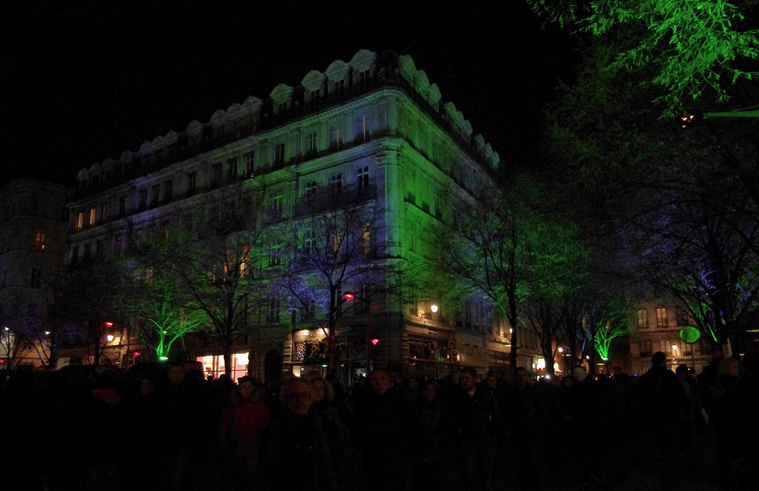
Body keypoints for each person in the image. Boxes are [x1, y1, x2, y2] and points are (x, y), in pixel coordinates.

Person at [259, 377, 338, 491]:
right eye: (294, 396)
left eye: (304, 395)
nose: (300, 400)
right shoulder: (275, 427)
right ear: (285, 399)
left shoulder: (323, 424)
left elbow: (334, 456)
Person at [352, 368, 411, 491]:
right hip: (373, 458)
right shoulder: (366, 403)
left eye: (382, 379)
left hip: (394, 456)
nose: (379, 383)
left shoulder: (399, 401)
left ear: (389, 381)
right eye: (375, 380)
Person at [451, 366, 500, 491]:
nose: (464, 381)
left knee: (485, 472)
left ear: (474, 379)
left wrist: (492, 434)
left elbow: (494, 414)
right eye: (462, 379)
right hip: (467, 440)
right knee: (470, 473)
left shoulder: (484, 394)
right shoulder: (458, 396)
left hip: (483, 439)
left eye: (467, 378)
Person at [218, 376, 270, 487]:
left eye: (249, 387)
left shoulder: (259, 405)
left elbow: (264, 423)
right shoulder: (232, 405)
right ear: (239, 388)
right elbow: (225, 424)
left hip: (254, 443)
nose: (246, 390)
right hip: (235, 443)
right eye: (244, 387)